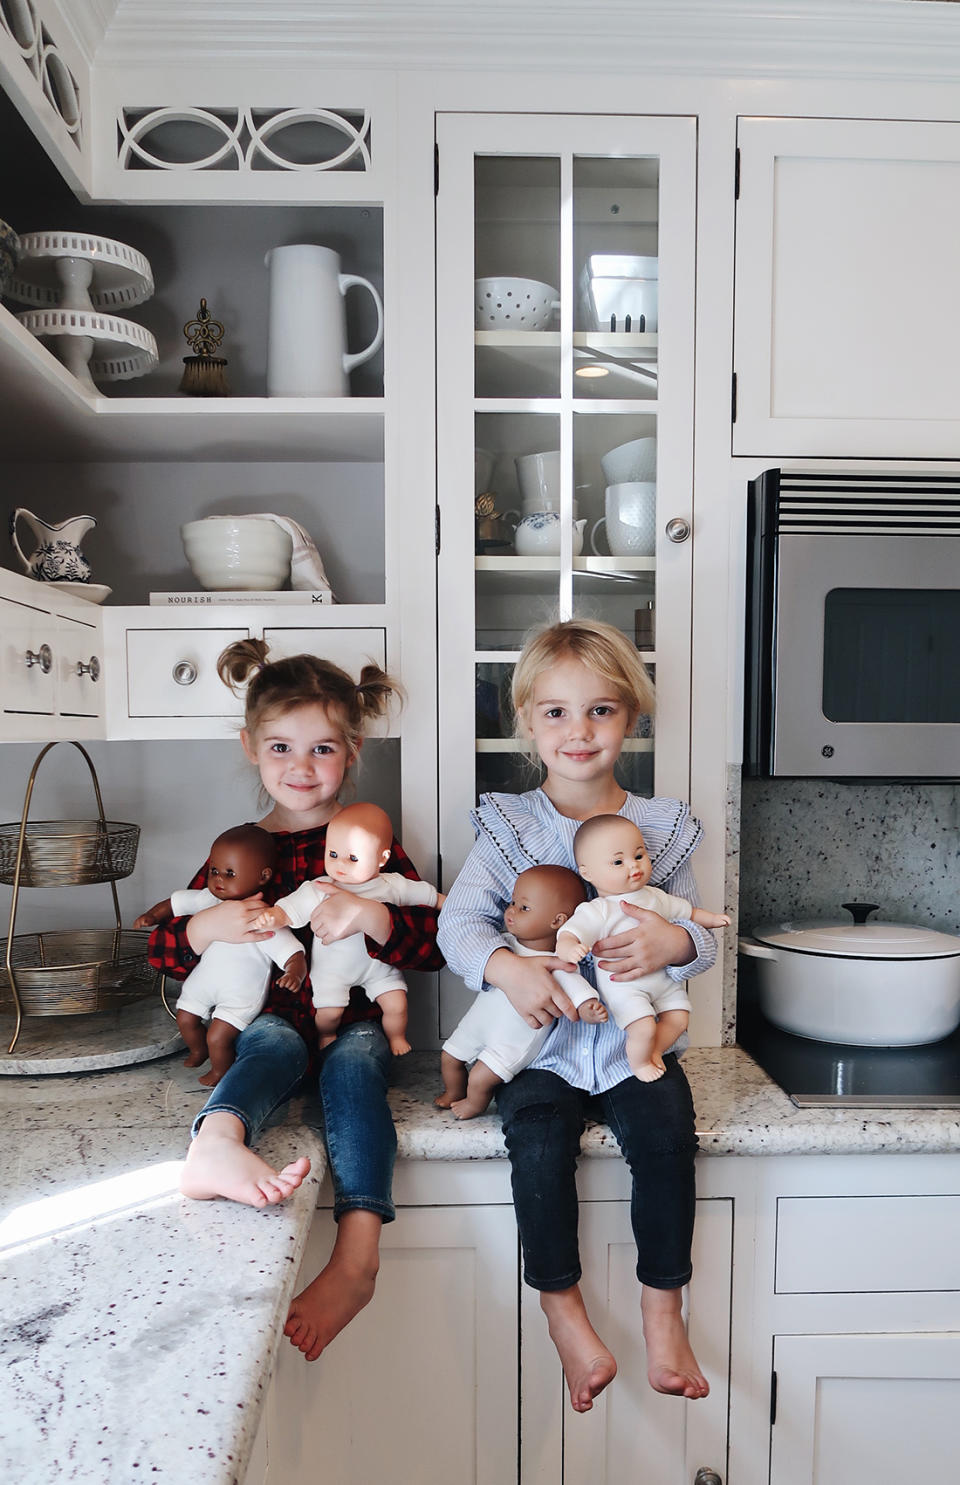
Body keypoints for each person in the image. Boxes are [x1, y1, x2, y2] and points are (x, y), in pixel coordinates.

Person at [437, 617, 718, 1413]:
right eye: (556, 711)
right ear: (528, 721)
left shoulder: (659, 828)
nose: (579, 729)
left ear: (632, 716)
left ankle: (663, 1310)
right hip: (544, 1049)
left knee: (667, 1140)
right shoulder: (509, 826)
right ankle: (563, 1313)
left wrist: (676, 940)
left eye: (600, 709)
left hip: (637, 1043)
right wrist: (504, 967)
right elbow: (459, 924)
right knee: (536, 1145)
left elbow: (698, 932)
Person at [147, 639, 443, 1363]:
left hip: (358, 1023)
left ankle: (357, 1257)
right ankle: (215, 1144)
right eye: (281, 746)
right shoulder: (241, 849)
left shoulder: (368, 843)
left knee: (355, 1071)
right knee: (269, 1044)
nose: (301, 768)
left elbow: (432, 946)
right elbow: (166, 952)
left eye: (321, 749)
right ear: (251, 746)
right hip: (274, 1017)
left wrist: (373, 916)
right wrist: (204, 926)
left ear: (353, 748)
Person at [251, 800, 443, 1056]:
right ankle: (325, 1035)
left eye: (353, 858)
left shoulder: (392, 885)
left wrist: (448, 903)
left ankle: (396, 1036)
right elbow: (293, 908)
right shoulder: (321, 886)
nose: (340, 865)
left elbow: (427, 896)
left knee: (397, 1004)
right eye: (332, 854)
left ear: (382, 858)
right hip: (332, 971)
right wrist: (274, 915)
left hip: (378, 969)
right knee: (329, 1013)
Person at [558, 815, 729, 1082]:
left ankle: (655, 1053)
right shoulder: (599, 909)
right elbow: (570, 931)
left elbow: (688, 912)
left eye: (639, 855)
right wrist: (568, 947)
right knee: (644, 1027)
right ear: (587, 873)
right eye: (618, 862)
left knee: (679, 1019)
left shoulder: (656, 897)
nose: (633, 866)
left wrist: (713, 920)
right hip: (624, 987)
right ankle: (638, 1064)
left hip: (662, 982)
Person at [135, 823, 307, 1085]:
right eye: (214, 870)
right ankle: (197, 1050)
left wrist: (294, 970)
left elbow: (291, 950)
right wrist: (152, 915)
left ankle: (220, 1070)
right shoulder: (208, 899)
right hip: (204, 981)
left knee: (218, 1036)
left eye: (230, 873)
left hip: (240, 994)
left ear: (263, 876)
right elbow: (175, 902)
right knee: (184, 1017)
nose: (218, 879)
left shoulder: (263, 916)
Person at [435, 863, 606, 1119]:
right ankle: (453, 1092)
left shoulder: (558, 963)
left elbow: (577, 990)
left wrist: (588, 1007)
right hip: (479, 1024)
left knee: (481, 1077)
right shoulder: (501, 945)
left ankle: (474, 1103)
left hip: (514, 1041)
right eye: (513, 902)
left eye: (524, 907)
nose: (511, 911)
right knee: (449, 1057)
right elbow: (469, 946)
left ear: (557, 921)